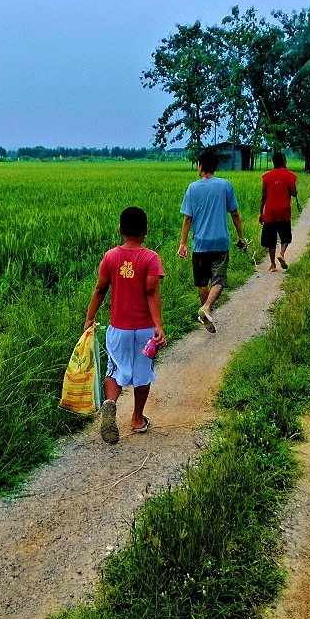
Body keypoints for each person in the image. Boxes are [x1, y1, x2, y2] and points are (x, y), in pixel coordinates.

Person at [84, 206, 166, 445]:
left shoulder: (110, 257)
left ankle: (110, 404)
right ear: (146, 231)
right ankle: (137, 420)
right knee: (143, 372)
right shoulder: (151, 258)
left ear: (120, 230)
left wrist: (90, 317)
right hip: (143, 331)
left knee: (114, 369)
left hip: (118, 329)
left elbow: (100, 289)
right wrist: (158, 326)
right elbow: (151, 292)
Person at [178, 149, 245, 334]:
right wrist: (241, 237)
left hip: (200, 244)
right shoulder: (225, 185)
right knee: (219, 280)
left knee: (201, 282)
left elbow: (187, 218)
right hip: (220, 243)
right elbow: (235, 214)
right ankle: (207, 308)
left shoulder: (192, 188)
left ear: (200, 167)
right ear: (215, 167)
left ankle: (205, 309)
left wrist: (183, 243)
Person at [259, 151, 298, 272]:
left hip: (270, 212)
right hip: (284, 212)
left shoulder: (266, 176)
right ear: (284, 161)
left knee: (271, 240)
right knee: (285, 236)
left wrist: (261, 212)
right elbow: (294, 193)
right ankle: (281, 253)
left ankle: (272, 265)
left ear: (273, 162)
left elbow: (263, 195)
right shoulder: (290, 175)